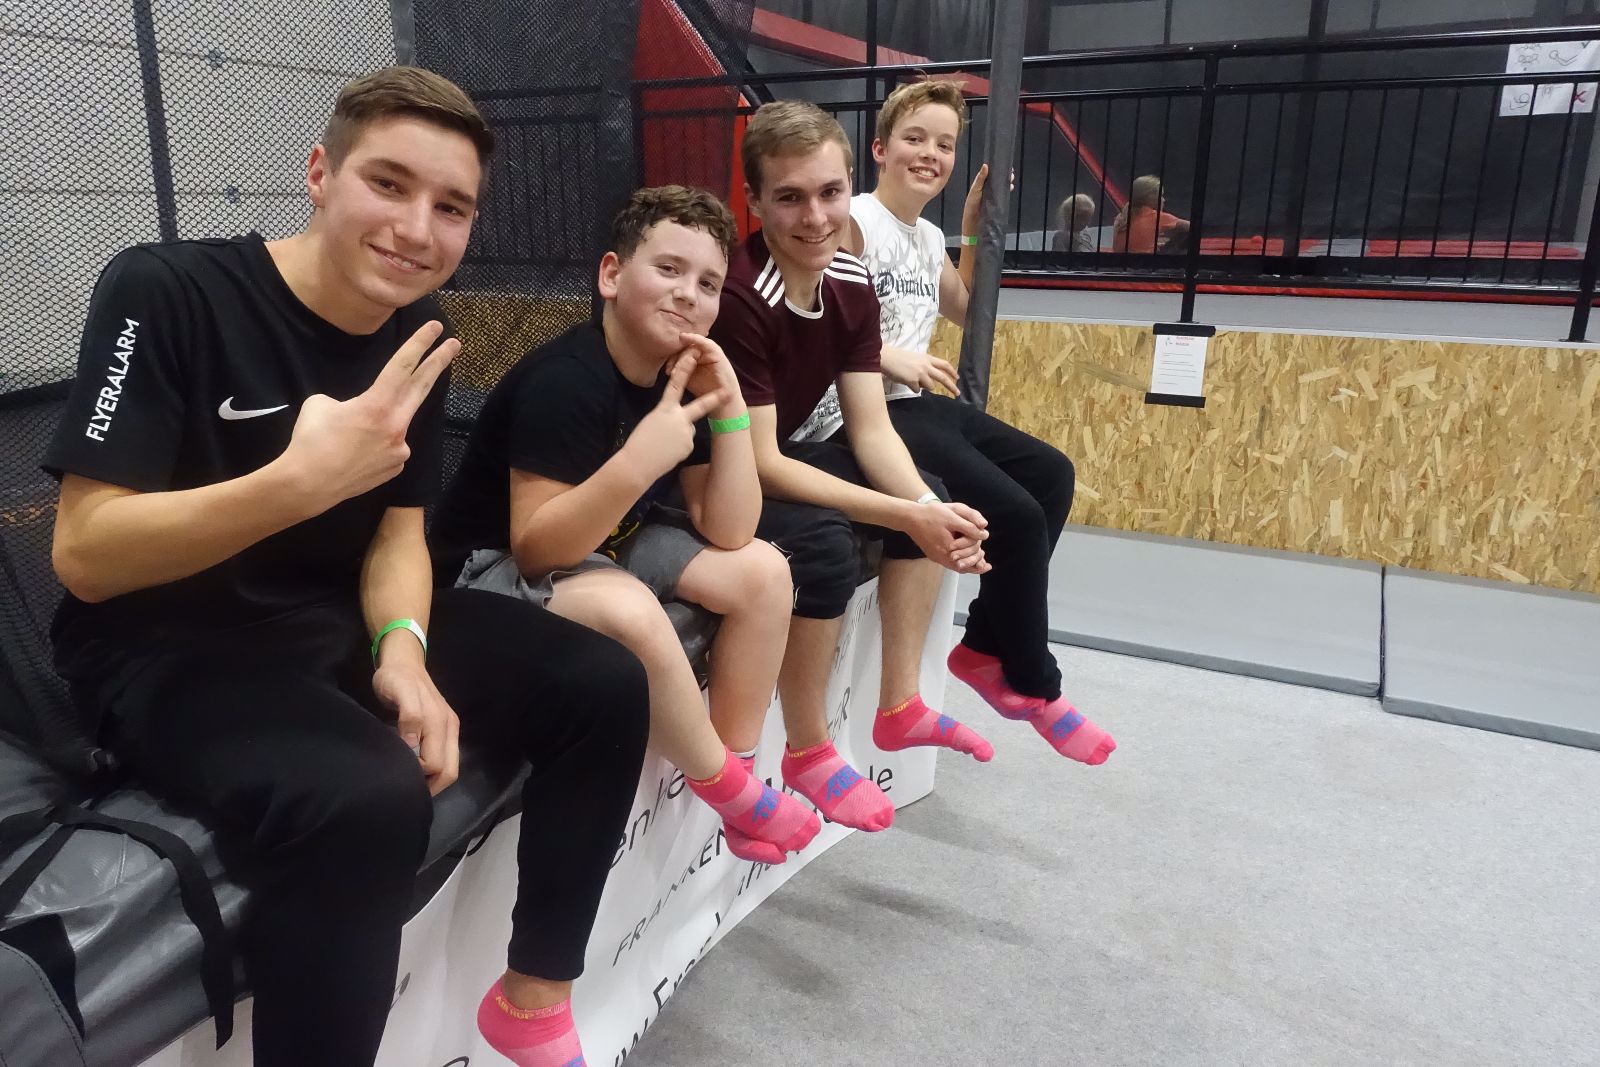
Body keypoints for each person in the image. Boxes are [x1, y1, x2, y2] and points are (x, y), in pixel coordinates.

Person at [44, 66, 644, 1067]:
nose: (416, 228)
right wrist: (294, 483)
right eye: (388, 183)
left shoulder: (419, 332)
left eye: (451, 206)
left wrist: (402, 651)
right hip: (163, 647)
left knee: (602, 680)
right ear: (321, 173)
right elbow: (85, 556)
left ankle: (534, 1001)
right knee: (368, 796)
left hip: (323, 616)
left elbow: (398, 535)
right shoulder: (165, 289)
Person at [430, 185, 819, 867]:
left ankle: (739, 764)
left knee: (764, 570)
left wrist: (729, 407)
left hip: (605, 545)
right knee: (631, 609)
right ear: (612, 275)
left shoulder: (680, 377)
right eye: (668, 269)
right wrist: (638, 462)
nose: (688, 294)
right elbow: (537, 549)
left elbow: (731, 530)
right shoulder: (567, 379)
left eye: (708, 283)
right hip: (483, 573)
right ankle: (728, 790)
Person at [796, 78, 1116, 766]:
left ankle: (982, 648)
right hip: (856, 409)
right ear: (879, 148)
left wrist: (973, 226)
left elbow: (968, 310)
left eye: (944, 145)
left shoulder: (926, 236)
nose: (930, 154)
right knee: (1016, 514)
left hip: (914, 404)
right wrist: (884, 353)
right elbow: (803, 311)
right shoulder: (853, 221)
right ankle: (1034, 683)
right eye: (914, 138)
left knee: (1052, 475)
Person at [707, 100, 999, 838]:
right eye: (790, 197)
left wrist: (926, 511)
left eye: (830, 193)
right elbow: (761, 462)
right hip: (708, 472)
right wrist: (904, 514)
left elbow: (871, 428)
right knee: (826, 542)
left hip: (783, 449)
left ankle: (900, 701)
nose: (815, 217)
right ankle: (808, 748)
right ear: (754, 202)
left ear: (848, 188)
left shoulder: (848, 278)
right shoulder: (741, 295)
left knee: (932, 493)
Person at [1112, 173, 1190, 253]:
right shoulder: (1155, 217)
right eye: (1161, 196)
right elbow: (1189, 226)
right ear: (1152, 198)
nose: (1164, 200)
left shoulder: (1123, 215)